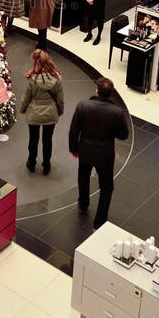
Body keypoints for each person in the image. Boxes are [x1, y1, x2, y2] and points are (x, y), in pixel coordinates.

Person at [69, 77, 129, 230]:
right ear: (110, 94)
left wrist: (73, 148)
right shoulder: (117, 112)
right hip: (105, 155)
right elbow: (123, 135)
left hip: (85, 152)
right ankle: (100, 221)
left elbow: (74, 130)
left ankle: (83, 204)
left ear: (96, 90)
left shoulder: (83, 106)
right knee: (106, 187)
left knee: (83, 178)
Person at [19, 49, 64, 175]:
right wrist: (59, 111)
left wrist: (23, 110)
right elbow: (60, 99)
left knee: (33, 139)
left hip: (34, 114)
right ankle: (46, 165)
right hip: (51, 113)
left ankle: (31, 163)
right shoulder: (57, 78)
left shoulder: (32, 79)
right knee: (47, 140)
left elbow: (26, 97)